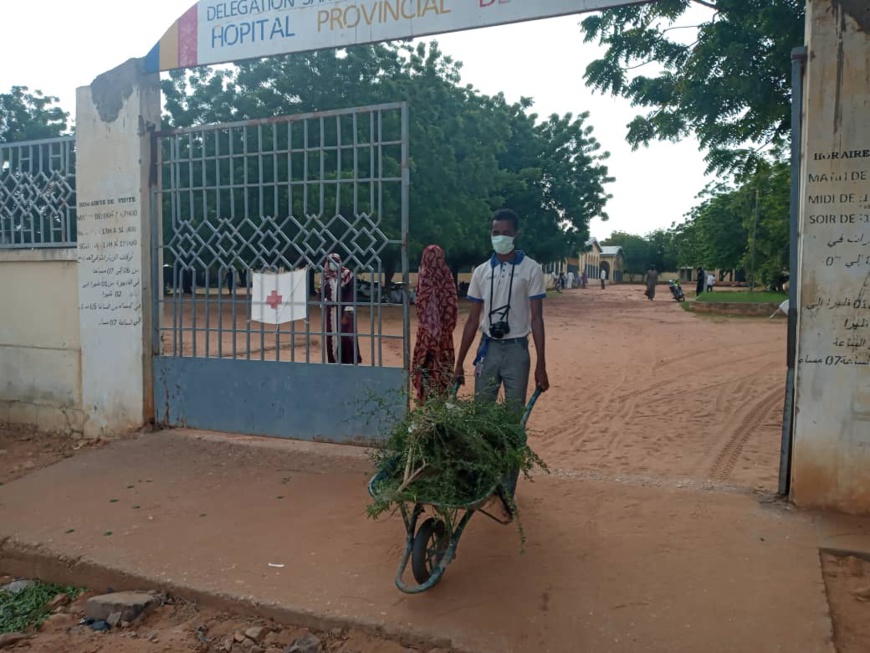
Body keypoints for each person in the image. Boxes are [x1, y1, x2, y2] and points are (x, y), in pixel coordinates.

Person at [454, 208, 550, 418]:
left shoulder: (531, 269)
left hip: (517, 350)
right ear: (490, 234)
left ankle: (510, 451)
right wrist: (459, 363)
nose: (501, 237)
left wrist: (541, 364)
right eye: (496, 232)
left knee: (514, 415)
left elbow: (536, 319)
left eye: (507, 232)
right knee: (482, 415)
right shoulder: (481, 271)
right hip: (488, 349)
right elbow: (472, 320)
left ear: (516, 235)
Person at [411, 245, 458, 402]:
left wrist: (431, 340)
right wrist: (444, 332)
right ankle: (440, 409)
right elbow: (452, 308)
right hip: (446, 339)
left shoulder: (425, 275)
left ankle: (427, 413)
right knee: (443, 376)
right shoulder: (447, 275)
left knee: (426, 376)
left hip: (428, 340)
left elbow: (426, 310)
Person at [323, 253, 362, 365]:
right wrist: (325, 301)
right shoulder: (326, 277)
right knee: (331, 336)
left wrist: (347, 315)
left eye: (335, 262)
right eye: (331, 262)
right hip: (331, 313)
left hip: (344, 312)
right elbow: (321, 293)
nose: (333, 265)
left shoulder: (347, 276)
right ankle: (333, 361)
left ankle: (349, 361)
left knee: (346, 337)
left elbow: (351, 295)